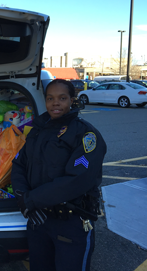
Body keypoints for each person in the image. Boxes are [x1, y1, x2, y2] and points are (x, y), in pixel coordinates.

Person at [11, 79, 107, 271]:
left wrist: (31, 201)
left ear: (72, 100)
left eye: (62, 98)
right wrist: (23, 196)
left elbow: (77, 180)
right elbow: (19, 164)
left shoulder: (86, 134)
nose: (56, 103)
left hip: (70, 222)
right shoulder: (37, 130)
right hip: (39, 220)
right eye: (50, 98)